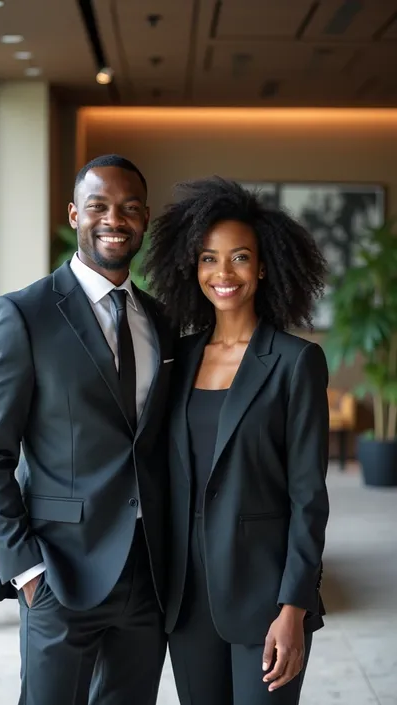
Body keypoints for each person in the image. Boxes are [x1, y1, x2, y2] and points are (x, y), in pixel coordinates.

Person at [0, 155, 176, 705]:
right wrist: (26, 570)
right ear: (74, 212)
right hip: (58, 573)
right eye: (100, 206)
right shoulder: (23, 314)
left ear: (145, 218)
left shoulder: (161, 322)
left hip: (148, 573)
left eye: (129, 208)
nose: (115, 219)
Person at [143, 176, 330, 705]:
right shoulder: (176, 361)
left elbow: (308, 498)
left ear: (264, 265)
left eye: (239, 257)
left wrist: (294, 606)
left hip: (265, 597)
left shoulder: (296, 362)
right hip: (186, 597)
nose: (223, 273)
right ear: (191, 266)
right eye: (208, 258)